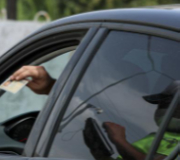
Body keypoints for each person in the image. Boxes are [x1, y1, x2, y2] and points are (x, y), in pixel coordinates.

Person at [12, 66, 180, 160]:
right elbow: (93, 103)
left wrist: (119, 141)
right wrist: (51, 87)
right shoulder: (156, 132)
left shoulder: (175, 143)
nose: (158, 109)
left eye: (164, 104)